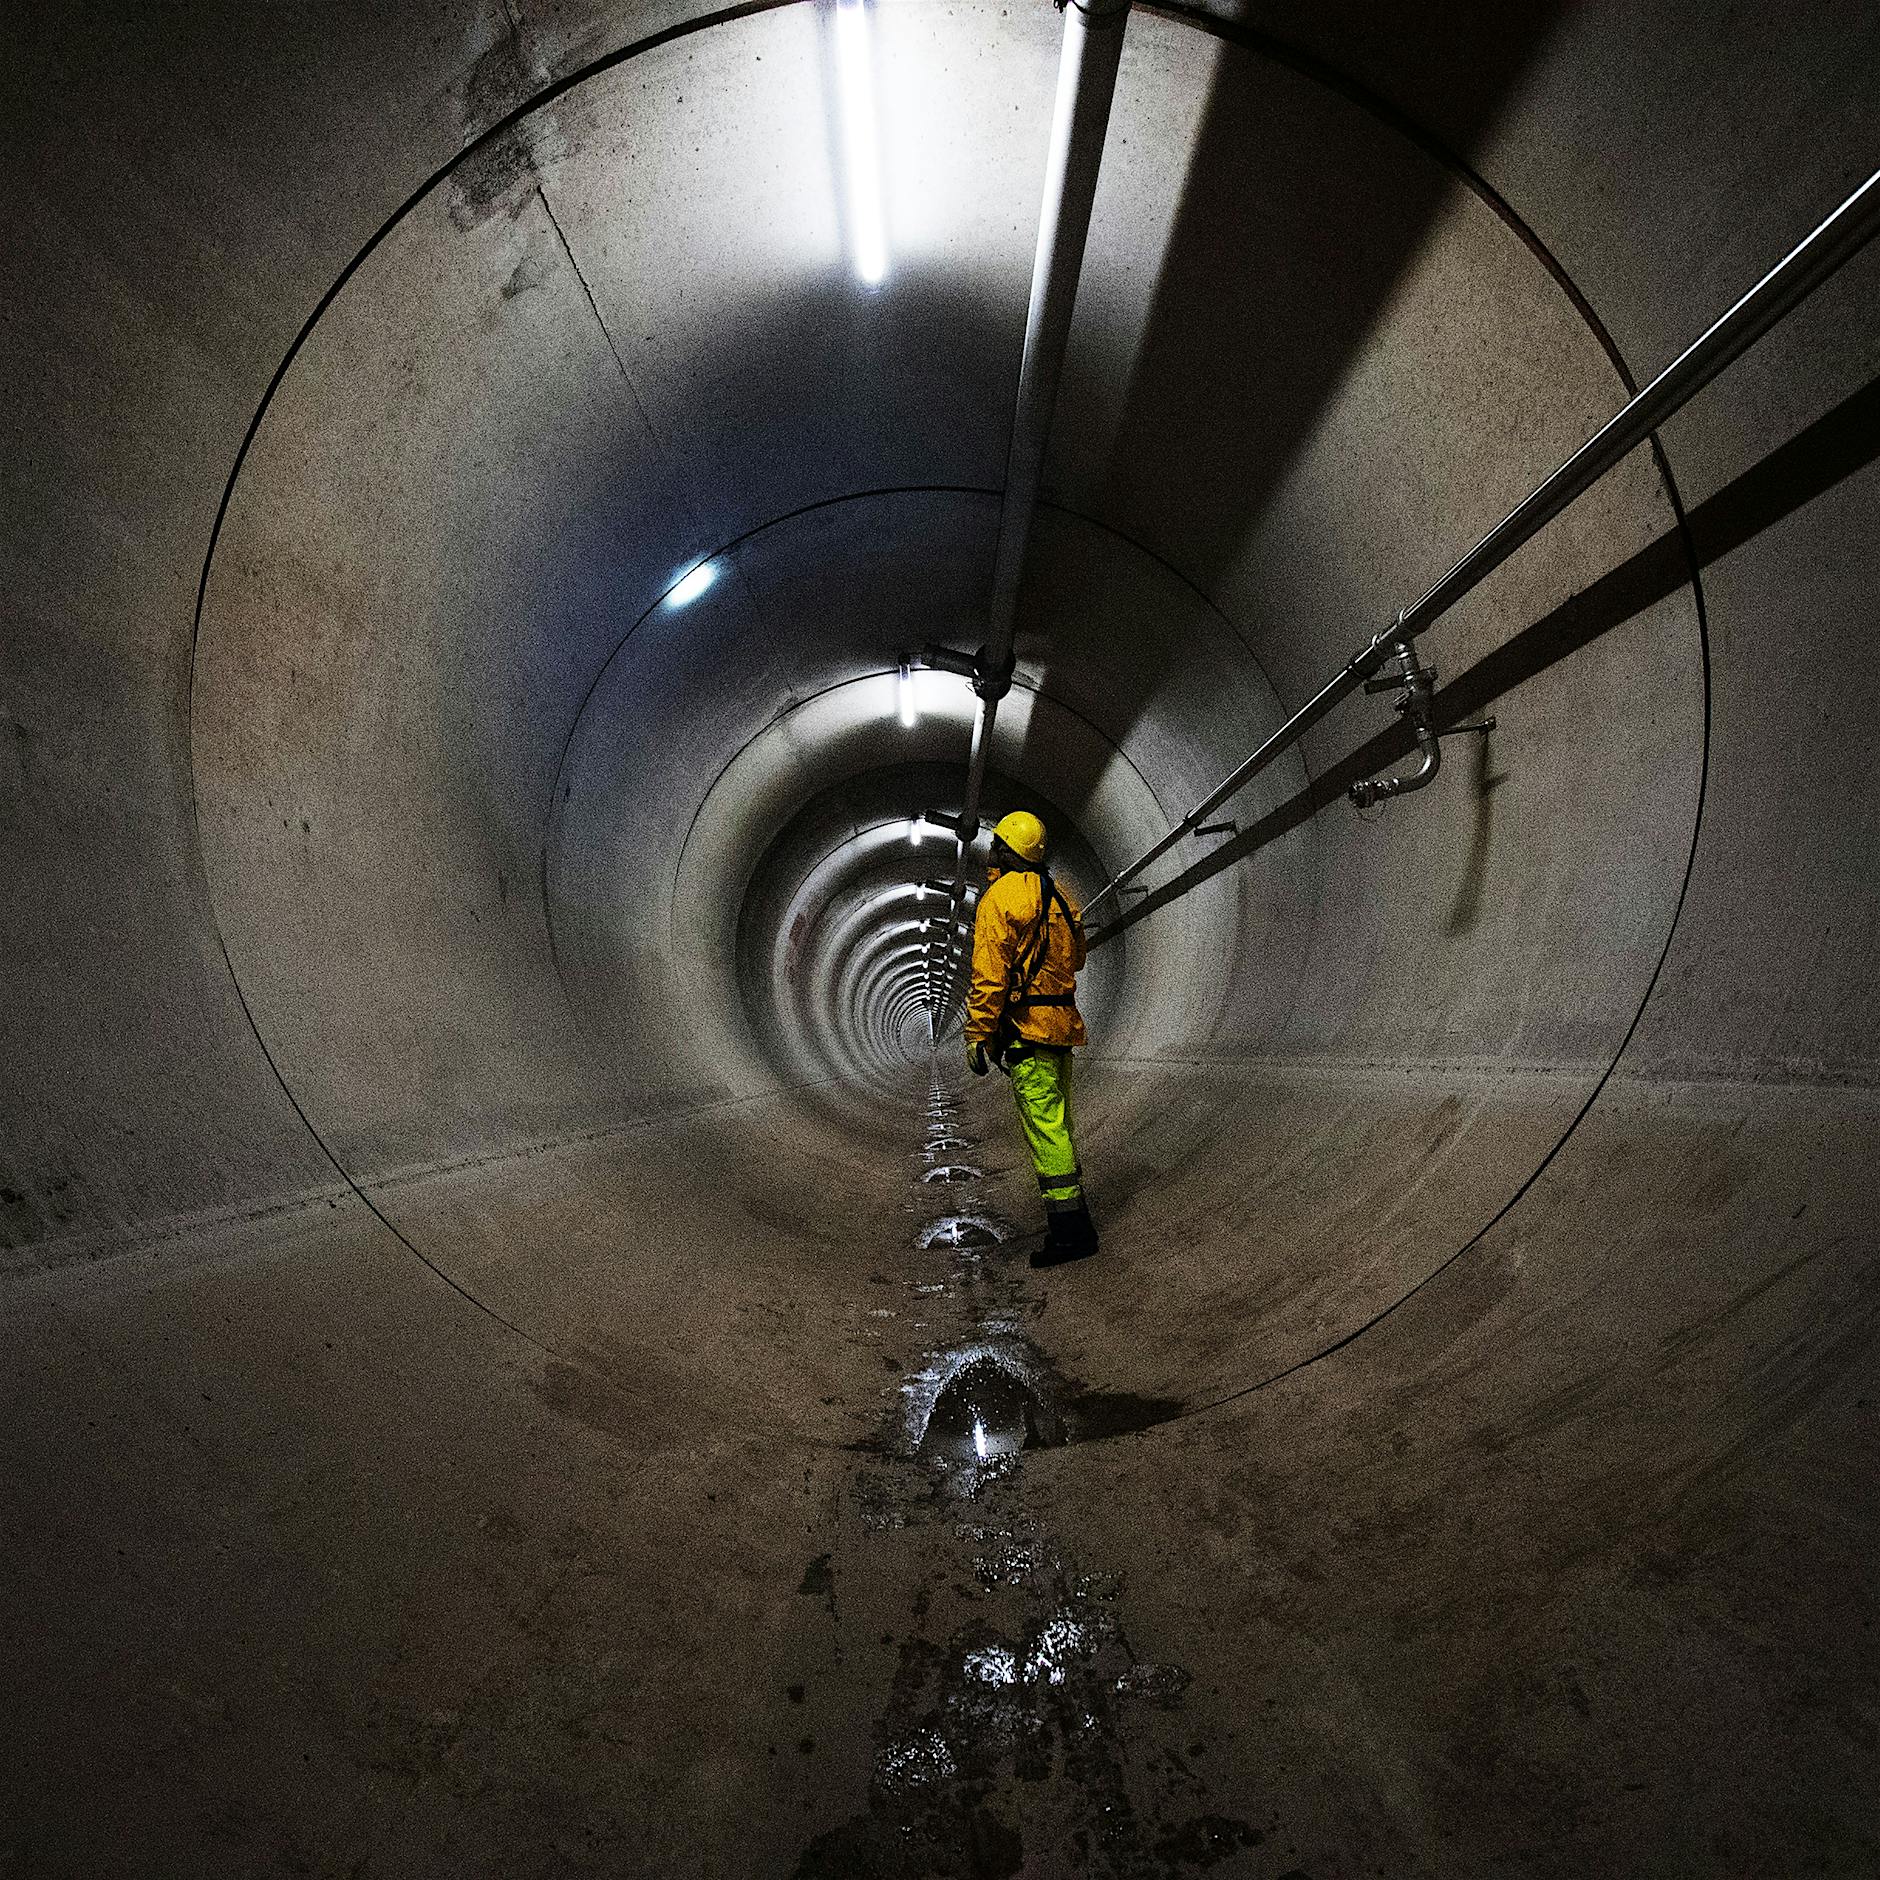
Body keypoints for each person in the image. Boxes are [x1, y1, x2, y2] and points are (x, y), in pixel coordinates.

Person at [963, 810, 1099, 1267]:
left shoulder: (1000, 899)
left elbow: (989, 977)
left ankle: (1070, 1235)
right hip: (1062, 1027)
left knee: (1046, 1130)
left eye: (996, 843)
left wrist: (979, 1032)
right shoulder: (1061, 895)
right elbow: (1077, 959)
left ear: (1006, 850)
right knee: (1059, 1126)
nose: (991, 849)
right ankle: (1076, 1219)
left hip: (1027, 1031)